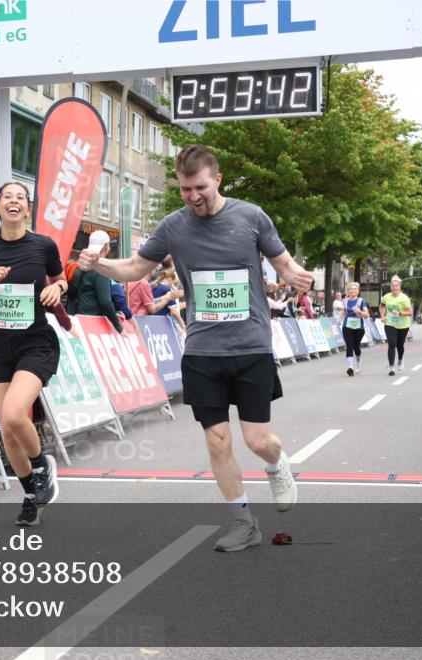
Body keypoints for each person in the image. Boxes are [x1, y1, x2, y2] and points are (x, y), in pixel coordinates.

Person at [79, 144, 311, 553]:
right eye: (186, 189)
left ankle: (277, 465)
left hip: (251, 344)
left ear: (217, 179)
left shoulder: (252, 216)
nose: (194, 196)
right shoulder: (173, 226)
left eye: (200, 186)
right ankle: (244, 523)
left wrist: (299, 277)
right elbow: (134, 268)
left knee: (258, 441)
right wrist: (97, 264)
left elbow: (284, 264)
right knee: (217, 440)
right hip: (202, 349)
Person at [0, 182, 65, 527]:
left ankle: (41, 465)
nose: (13, 201)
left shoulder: (43, 245)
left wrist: (57, 286)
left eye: (20, 197)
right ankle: (29, 495)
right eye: (7, 197)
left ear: (27, 209)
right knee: (7, 430)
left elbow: (62, 279)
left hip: (35, 341)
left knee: (13, 413)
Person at [67, 231, 124, 334]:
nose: (110, 248)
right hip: (93, 324)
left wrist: (114, 313)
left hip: (77, 320)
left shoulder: (79, 265)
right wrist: (119, 326)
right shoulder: (100, 268)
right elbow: (105, 302)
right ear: (106, 246)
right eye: (109, 245)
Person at [379, 275, 413, 375]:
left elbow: (410, 312)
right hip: (390, 323)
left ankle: (400, 359)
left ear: (399, 287)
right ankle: (391, 367)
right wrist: (382, 316)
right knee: (392, 343)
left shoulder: (404, 298)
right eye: (392, 286)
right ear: (390, 287)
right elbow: (381, 306)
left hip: (403, 325)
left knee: (400, 345)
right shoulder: (386, 297)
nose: (394, 288)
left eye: (396, 286)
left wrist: (400, 313)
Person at [341, 282, 369, 376]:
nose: (353, 290)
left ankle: (358, 362)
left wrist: (359, 311)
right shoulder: (345, 301)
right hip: (347, 326)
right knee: (349, 346)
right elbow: (343, 312)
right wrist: (339, 318)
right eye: (351, 289)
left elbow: (366, 315)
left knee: (356, 347)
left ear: (358, 291)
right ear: (348, 291)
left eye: (355, 289)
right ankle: (350, 367)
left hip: (358, 327)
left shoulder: (361, 301)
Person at [151, 268, 187, 333]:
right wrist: (182, 324)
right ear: (170, 279)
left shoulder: (152, 287)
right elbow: (174, 312)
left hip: (150, 320)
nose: (172, 285)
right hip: (161, 322)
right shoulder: (168, 290)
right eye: (172, 283)